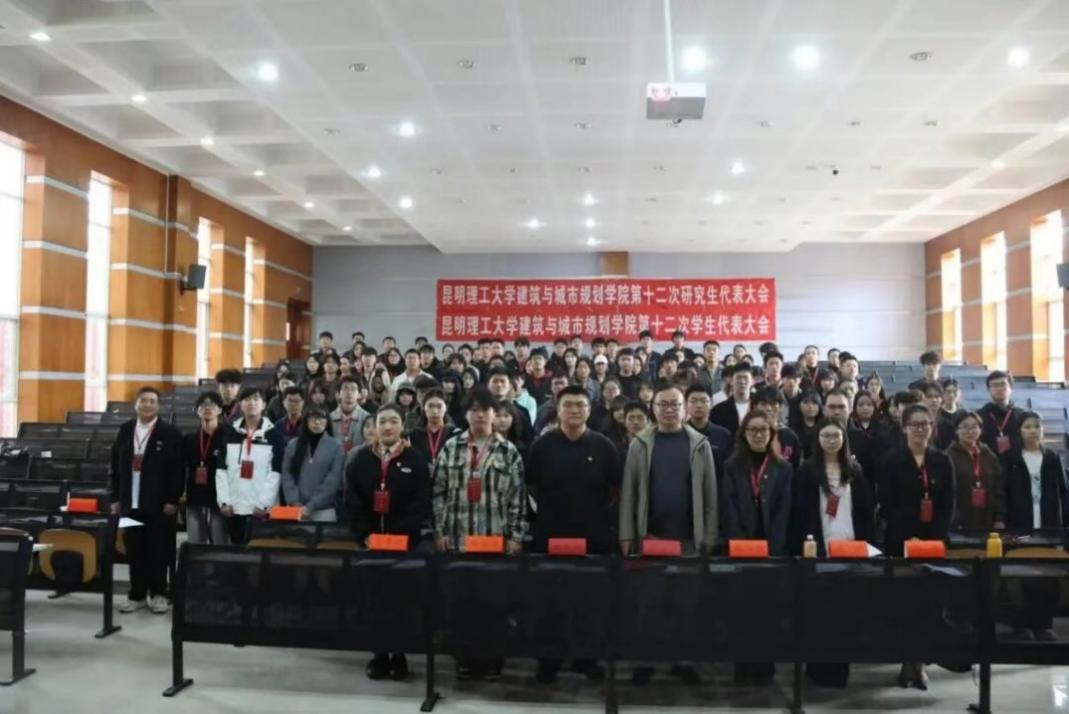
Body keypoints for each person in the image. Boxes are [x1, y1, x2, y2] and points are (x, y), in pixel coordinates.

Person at [619, 383, 717, 686]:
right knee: (648, 605)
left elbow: (710, 494)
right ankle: (645, 661)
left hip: (689, 541)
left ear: (685, 409)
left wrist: (709, 537)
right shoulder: (640, 444)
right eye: (663, 404)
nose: (669, 410)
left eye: (675, 404)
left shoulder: (700, 444)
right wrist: (627, 534)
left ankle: (682, 661)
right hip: (650, 539)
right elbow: (629, 492)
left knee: (686, 607)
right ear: (654, 409)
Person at [526, 385, 619, 684]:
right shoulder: (542, 446)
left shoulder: (604, 446)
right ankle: (548, 659)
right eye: (568, 405)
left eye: (580, 405)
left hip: (592, 537)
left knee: (588, 602)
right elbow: (530, 487)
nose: (575, 410)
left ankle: (586, 659)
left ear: (589, 410)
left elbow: (614, 489)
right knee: (549, 601)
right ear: (558, 409)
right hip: (551, 535)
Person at [432, 388, 526, 681]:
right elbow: (438, 492)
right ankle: (465, 659)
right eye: (474, 410)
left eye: (485, 410)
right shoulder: (451, 447)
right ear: (466, 415)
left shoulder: (508, 451)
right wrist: (440, 530)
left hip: (494, 540)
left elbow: (517, 498)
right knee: (461, 604)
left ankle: (492, 659)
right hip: (458, 540)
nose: (480, 415)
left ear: (495, 415)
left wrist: (516, 536)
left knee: (494, 604)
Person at [347, 403, 433, 681]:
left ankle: (400, 655)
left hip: (404, 544)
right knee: (374, 601)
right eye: (382, 421)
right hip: (371, 544)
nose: (387, 427)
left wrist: (399, 535)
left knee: (402, 601)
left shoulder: (416, 460)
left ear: (402, 426)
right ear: (374, 426)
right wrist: (365, 534)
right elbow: (352, 501)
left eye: (393, 421)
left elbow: (421, 502)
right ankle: (379, 655)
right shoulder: (360, 459)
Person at [878, 403, 955, 690]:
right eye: (915, 424)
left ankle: (919, 664)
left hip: (933, 544)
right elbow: (886, 503)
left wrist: (932, 539)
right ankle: (905, 661)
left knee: (929, 604)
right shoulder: (891, 460)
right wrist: (908, 538)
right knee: (903, 603)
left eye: (925, 424)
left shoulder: (942, 460)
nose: (920, 429)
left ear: (932, 427)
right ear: (904, 428)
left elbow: (948, 505)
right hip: (900, 543)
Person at [720, 408, 793, 686]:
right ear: (744, 434)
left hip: (771, 551)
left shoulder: (783, 469)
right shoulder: (732, 466)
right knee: (740, 610)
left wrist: (773, 548)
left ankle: (764, 665)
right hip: (740, 548)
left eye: (763, 430)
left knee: (767, 610)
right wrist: (739, 544)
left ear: (772, 434)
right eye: (752, 430)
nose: (758, 435)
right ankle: (742, 665)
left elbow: (784, 511)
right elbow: (728, 507)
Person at [109, 386, 184, 614]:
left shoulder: (170, 433)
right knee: (134, 549)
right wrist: (115, 497)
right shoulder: (125, 430)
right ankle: (137, 594)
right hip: (129, 503)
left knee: (158, 550)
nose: (148, 404)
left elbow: (178, 470)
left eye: (152, 401)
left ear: (158, 406)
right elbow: (115, 466)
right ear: (136, 404)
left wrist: (172, 499)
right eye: (143, 400)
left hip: (159, 505)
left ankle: (159, 594)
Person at [1001, 411, 1069, 641]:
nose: (1033, 431)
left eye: (1037, 426)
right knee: (1022, 574)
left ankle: (1043, 624)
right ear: (1019, 431)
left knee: (1047, 575)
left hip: (1049, 524)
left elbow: (1063, 491)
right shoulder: (1010, 457)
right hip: (1020, 524)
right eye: (1028, 427)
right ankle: (1021, 625)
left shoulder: (1052, 457)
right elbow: (1004, 492)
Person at [217, 387, 286, 545]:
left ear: (264, 405)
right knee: (237, 552)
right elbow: (221, 469)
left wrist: (264, 504)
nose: (251, 403)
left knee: (261, 553)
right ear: (240, 404)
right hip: (235, 507)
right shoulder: (230, 432)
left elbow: (275, 473)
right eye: (247, 399)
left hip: (261, 509)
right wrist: (224, 502)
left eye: (256, 399)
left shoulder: (274, 434)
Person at [181, 391, 234, 546]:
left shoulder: (229, 436)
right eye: (203, 405)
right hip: (195, 495)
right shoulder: (189, 439)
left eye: (212, 405)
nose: (207, 408)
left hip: (220, 497)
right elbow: (182, 468)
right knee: (195, 543)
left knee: (220, 543)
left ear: (220, 410)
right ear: (197, 410)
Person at [280, 406, 344, 521]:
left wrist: (311, 506)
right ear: (306, 421)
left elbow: (333, 480)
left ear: (327, 421)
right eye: (313, 418)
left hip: (324, 510)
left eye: (321, 418)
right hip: (295, 509)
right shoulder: (293, 445)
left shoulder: (336, 446)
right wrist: (294, 502)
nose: (317, 422)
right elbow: (287, 475)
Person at [945, 411, 1004, 531]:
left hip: (988, 520)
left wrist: (999, 517)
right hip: (958, 524)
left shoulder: (989, 455)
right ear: (956, 430)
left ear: (980, 430)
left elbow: (999, 488)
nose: (970, 431)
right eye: (965, 427)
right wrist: (954, 520)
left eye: (974, 427)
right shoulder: (948, 456)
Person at [752, 387, 802, 472]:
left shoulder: (790, 436)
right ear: (755, 407)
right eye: (763, 404)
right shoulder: (748, 433)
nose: (768, 408)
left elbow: (796, 468)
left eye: (773, 404)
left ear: (780, 407)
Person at [978, 370, 1026, 457]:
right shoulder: (979, 416)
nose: (999, 388)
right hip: (988, 461)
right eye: (995, 385)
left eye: (1003, 384)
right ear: (988, 390)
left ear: (1011, 388)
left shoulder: (1021, 415)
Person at [407, 390, 461, 467]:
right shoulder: (414, 435)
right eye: (430, 406)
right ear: (423, 407)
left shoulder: (455, 434)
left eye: (439, 407)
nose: (435, 411)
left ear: (446, 408)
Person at [684, 384, 733, 461]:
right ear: (686, 404)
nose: (699, 405)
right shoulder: (680, 433)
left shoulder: (723, 435)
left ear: (711, 403)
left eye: (704, 401)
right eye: (693, 401)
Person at [330, 376, 371, 456]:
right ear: (338, 394)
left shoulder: (367, 419)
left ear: (359, 395)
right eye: (345, 388)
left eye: (353, 389)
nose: (349, 392)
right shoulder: (330, 418)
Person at [710, 364, 753, 436]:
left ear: (752, 381)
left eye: (745, 378)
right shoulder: (719, 410)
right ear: (731, 381)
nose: (742, 381)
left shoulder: (759, 406)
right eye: (738, 378)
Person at [792, 391, 823, 459]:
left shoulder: (824, 427)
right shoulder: (792, 429)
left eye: (814, 403)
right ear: (799, 405)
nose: (810, 406)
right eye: (806, 402)